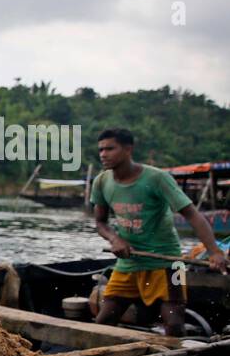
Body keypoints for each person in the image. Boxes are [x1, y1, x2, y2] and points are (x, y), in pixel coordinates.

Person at [91, 128, 227, 335]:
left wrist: (215, 251)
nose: (103, 154)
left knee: (173, 323)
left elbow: (193, 215)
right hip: (128, 263)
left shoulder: (157, 178)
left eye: (110, 148)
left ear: (128, 149)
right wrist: (115, 239)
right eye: (101, 149)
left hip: (170, 262)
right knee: (103, 320)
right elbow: (100, 222)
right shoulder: (101, 181)